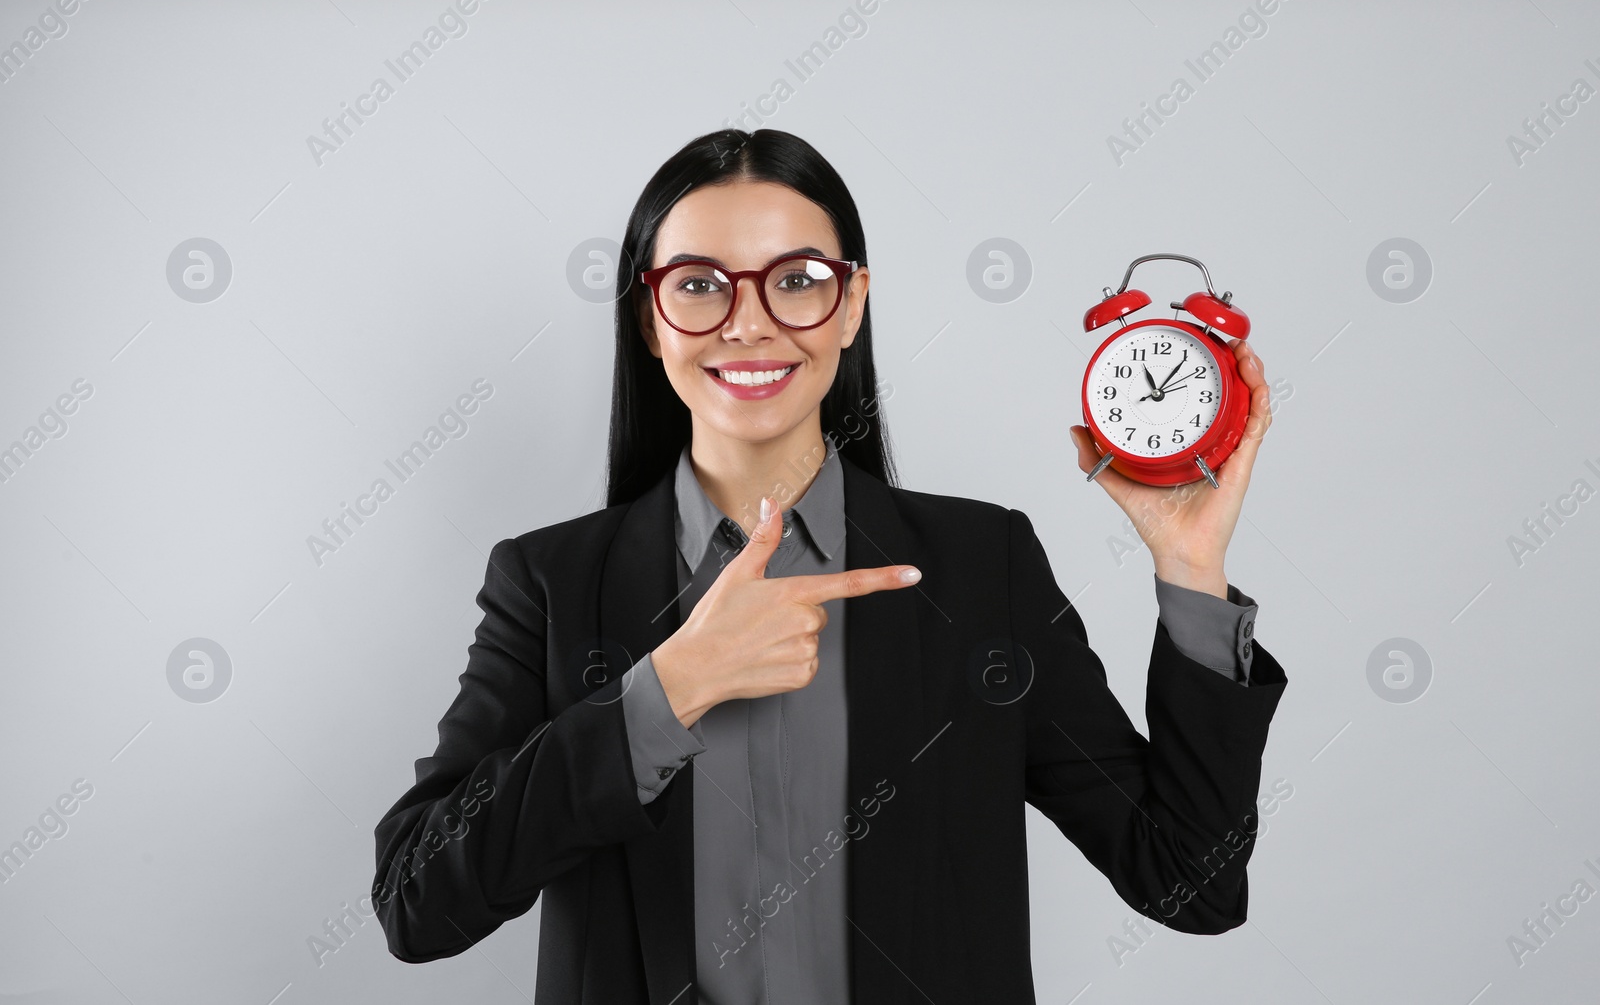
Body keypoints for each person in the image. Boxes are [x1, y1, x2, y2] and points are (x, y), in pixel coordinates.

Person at [372, 128, 1288, 1003]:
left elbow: (1189, 880)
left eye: (798, 281)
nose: (748, 324)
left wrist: (1189, 562)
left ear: (849, 305)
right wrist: (664, 692)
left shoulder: (980, 570)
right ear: (651, 321)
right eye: (698, 285)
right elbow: (417, 901)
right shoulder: (549, 584)